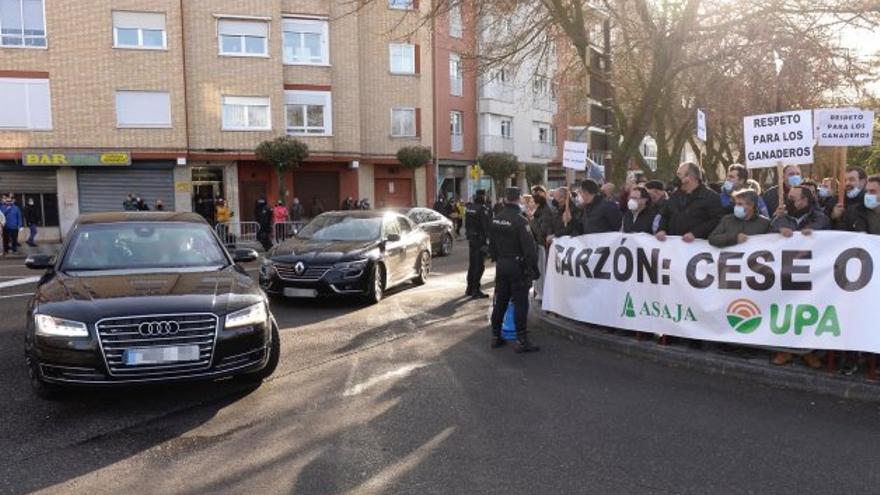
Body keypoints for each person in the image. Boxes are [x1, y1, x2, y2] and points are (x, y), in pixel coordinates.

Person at [489, 187, 540, 353]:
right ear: (518, 199)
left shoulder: (497, 218)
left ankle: (496, 336)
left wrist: (497, 259)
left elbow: (492, 245)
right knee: (520, 303)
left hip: (502, 264)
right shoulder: (520, 220)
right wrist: (533, 268)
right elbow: (529, 248)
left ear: (505, 199)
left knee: (501, 301)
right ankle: (522, 340)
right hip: (517, 266)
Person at [655, 162, 724, 242]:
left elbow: (716, 220)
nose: (676, 178)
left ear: (690, 177)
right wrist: (662, 229)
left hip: (696, 247)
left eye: (679, 175)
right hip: (674, 246)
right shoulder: (675, 196)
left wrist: (695, 233)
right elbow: (665, 215)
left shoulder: (711, 197)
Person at [529, 185, 556, 301]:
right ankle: (539, 291)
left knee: (542, 271)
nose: (529, 203)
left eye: (531, 201)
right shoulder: (539, 212)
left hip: (542, 246)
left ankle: (543, 293)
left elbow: (543, 231)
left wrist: (532, 221)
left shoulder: (545, 212)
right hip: (538, 245)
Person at [465, 189, 491, 299]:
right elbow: (486, 227)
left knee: (472, 264)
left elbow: (466, 224)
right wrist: (489, 240)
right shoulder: (482, 209)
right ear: (482, 196)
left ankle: (469, 288)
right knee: (479, 266)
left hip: (471, 239)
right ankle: (476, 290)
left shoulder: (469, 208)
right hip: (480, 240)